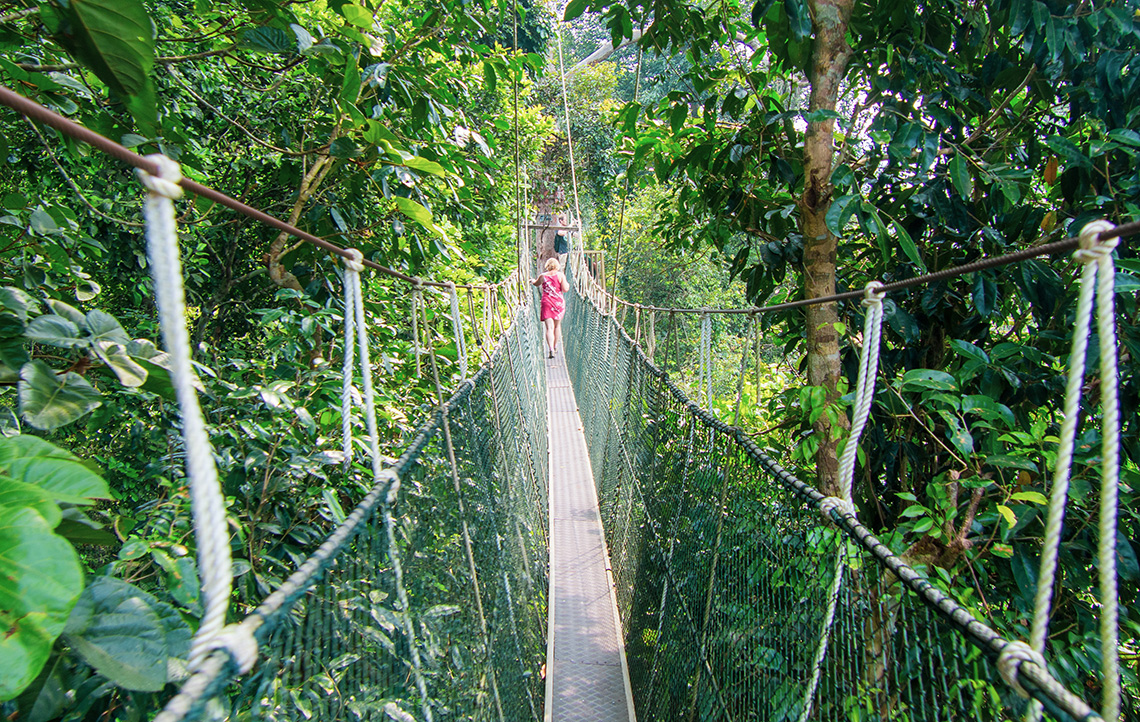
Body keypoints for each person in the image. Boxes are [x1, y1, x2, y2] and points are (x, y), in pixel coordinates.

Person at [532, 257, 570, 359]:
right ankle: (555, 346)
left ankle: (551, 349)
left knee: (549, 328)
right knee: (557, 327)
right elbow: (565, 289)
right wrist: (568, 284)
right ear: (557, 265)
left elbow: (536, 284)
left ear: (547, 266)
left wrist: (532, 281)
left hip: (547, 302)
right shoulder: (560, 275)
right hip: (558, 303)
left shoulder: (543, 276)